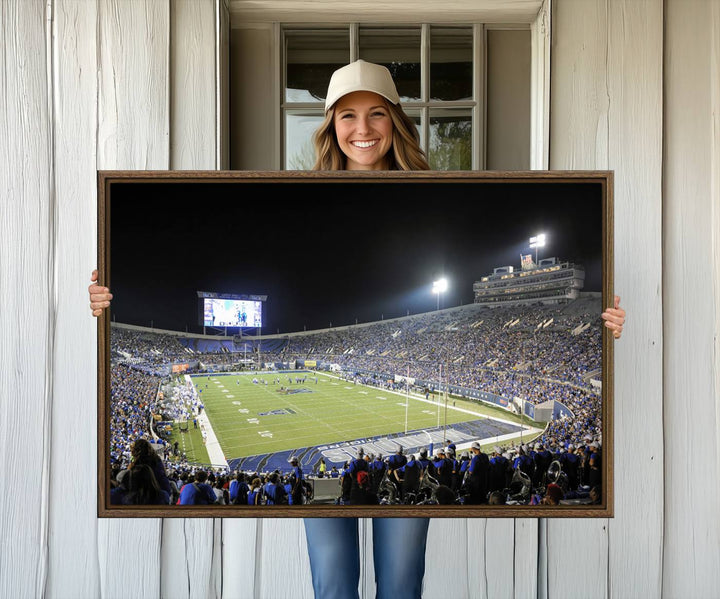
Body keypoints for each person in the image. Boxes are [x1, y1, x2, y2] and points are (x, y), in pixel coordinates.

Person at [88, 59, 626, 599]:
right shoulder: (300, 191)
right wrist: (102, 301)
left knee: (400, 583)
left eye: (375, 115)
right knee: (333, 582)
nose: (362, 129)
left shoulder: (430, 191)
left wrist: (603, 326)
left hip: (398, 486)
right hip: (327, 483)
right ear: (330, 126)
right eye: (347, 116)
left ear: (396, 120)